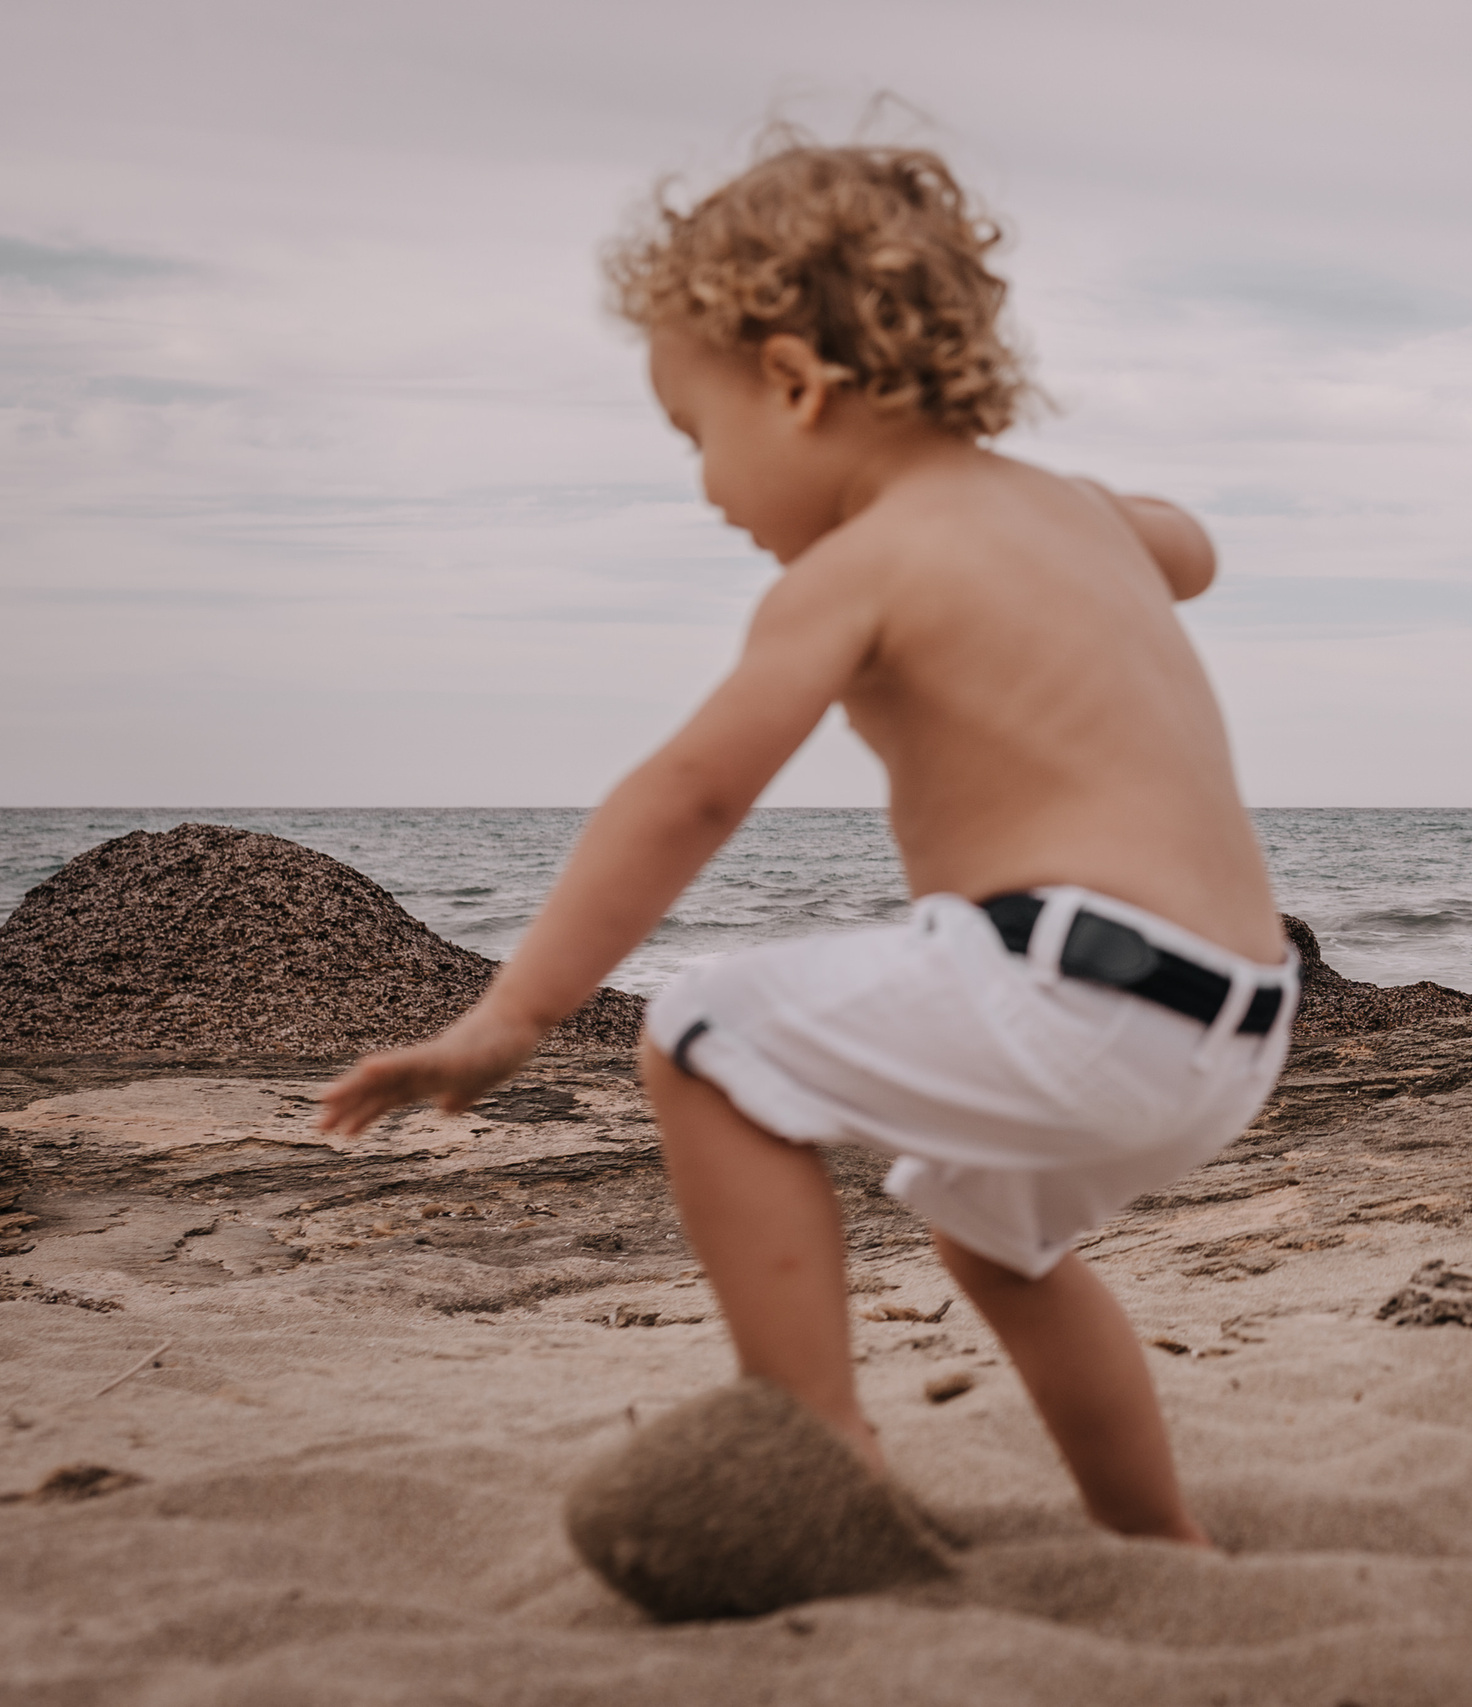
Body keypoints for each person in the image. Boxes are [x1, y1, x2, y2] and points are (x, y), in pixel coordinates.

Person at [315, 139, 1297, 1554]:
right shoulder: (1070, 511)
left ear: (792, 382)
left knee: (707, 1029)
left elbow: (689, 794)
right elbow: (1191, 548)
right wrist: (1103, 516)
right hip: (1233, 1021)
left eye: (692, 431)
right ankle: (1159, 1537)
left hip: (1082, 988)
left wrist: (515, 1010)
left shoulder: (863, 565)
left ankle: (817, 1438)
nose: (705, 483)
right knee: (993, 1237)